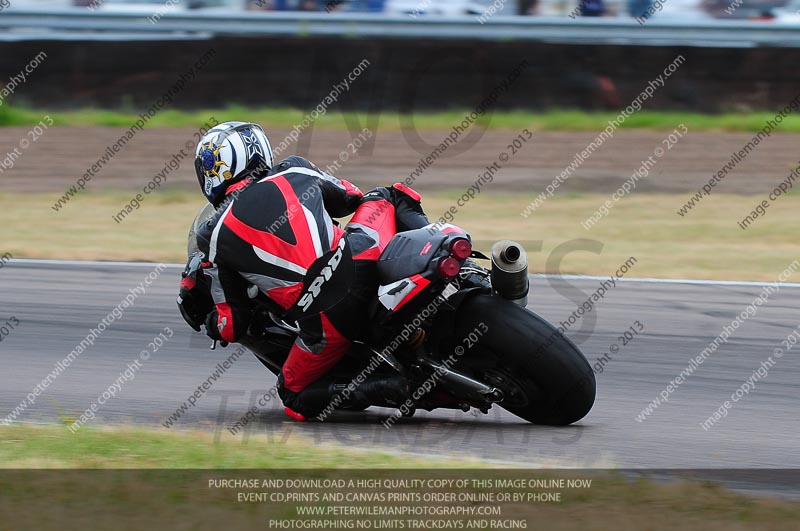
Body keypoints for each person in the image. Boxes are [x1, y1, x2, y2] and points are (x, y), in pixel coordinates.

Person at [178, 121, 432, 421]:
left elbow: (233, 324)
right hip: (363, 258)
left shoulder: (211, 237)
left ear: (210, 173)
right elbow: (351, 196)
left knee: (293, 393)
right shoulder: (296, 169)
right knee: (387, 196)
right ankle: (438, 251)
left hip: (327, 317)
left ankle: (395, 386)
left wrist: (212, 323)